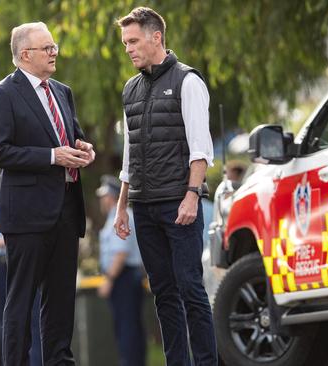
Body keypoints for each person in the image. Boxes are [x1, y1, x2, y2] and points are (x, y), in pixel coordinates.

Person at [0, 22, 95, 366]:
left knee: (61, 302)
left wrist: (82, 149)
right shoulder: (2, 93)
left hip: (66, 209)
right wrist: (52, 157)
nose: (54, 52)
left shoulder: (62, 91)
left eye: (54, 46)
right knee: (20, 301)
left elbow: (70, 138)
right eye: (47, 48)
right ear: (25, 54)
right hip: (27, 215)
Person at [114, 7, 218, 365]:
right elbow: (130, 153)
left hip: (178, 203)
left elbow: (201, 148)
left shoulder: (188, 81)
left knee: (190, 288)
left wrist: (192, 195)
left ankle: (205, 361)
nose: (128, 48)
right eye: (125, 42)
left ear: (156, 37)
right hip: (143, 206)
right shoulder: (130, 89)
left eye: (134, 41)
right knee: (163, 293)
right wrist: (122, 206)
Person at [96, 175, 146, 366]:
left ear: (112, 197)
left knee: (127, 328)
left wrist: (109, 278)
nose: (102, 200)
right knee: (129, 326)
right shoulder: (115, 217)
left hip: (124, 277)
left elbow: (120, 253)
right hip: (125, 277)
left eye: (104, 196)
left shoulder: (121, 216)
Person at [0, 201, 42, 366]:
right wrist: (19, 239)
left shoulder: (29, 206)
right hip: (3, 268)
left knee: (34, 320)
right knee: (4, 322)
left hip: (26, 265)